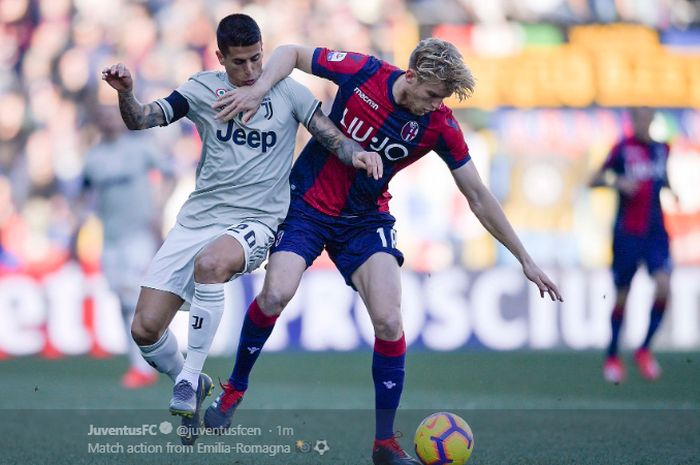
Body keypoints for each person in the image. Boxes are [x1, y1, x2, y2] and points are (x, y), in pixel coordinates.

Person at [205, 39, 563, 465]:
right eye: (432, 95)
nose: (435, 106)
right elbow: (293, 53)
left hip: (365, 220)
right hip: (307, 206)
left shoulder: (440, 126)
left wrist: (524, 257)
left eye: (441, 100)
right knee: (274, 295)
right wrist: (261, 86)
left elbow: (478, 196)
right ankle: (235, 388)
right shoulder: (363, 72)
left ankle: (384, 445)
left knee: (390, 320)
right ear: (410, 76)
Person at [101, 13, 382, 444]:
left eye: (256, 59)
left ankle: (188, 375)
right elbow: (141, 119)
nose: (250, 71)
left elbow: (330, 136)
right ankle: (190, 382)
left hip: (259, 220)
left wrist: (356, 153)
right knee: (143, 329)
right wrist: (127, 93)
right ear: (220, 58)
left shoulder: (288, 92)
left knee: (212, 264)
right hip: (198, 218)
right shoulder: (201, 88)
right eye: (239, 63)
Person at [80, 104, 174, 389]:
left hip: (139, 235)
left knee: (133, 295)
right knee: (123, 302)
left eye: (112, 116)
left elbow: (170, 173)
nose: (109, 122)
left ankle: (144, 366)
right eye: (103, 117)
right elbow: (84, 194)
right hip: (110, 238)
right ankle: (144, 358)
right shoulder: (93, 157)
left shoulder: (140, 147)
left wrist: (159, 209)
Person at [589, 107, 674, 383]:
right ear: (633, 122)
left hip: (656, 233)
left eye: (649, 119)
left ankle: (644, 349)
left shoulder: (662, 150)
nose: (645, 124)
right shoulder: (622, 149)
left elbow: (662, 178)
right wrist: (618, 181)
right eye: (640, 119)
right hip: (627, 233)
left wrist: (672, 190)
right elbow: (595, 179)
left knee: (663, 287)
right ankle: (613, 355)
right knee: (623, 295)